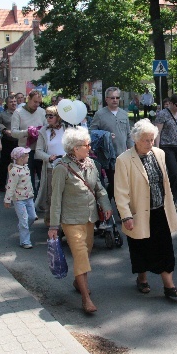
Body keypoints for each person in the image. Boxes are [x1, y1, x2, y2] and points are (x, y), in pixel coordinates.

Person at [114, 119, 177, 298]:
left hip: (160, 209)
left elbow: (164, 183)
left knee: (165, 248)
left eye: (152, 139)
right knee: (141, 247)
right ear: (136, 139)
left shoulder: (159, 153)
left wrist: (171, 206)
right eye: (146, 140)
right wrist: (126, 216)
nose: (150, 143)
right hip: (139, 212)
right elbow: (120, 191)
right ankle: (142, 278)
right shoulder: (124, 160)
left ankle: (169, 286)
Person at [48, 127, 112, 314]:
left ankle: (78, 282)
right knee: (81, 255)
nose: (89, 147)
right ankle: (86, 299)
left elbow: (99, 187)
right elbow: (56, 199)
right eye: (86, 145)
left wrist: (106, 205)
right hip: (70, 219)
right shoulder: (61, 168)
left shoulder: (91, 163)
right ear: (75, 148)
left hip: (90, 218)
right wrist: (53, 225)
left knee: (87, 251)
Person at [90, 86, 133, 199]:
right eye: (112, 98)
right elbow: (92, 133)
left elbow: (129, 134)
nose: (115, 100)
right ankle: (109, 208)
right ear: (107, 99)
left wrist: (132, 149)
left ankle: (105, 205)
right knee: (115, 183)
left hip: (123, 154)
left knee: (121, 185)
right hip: (108, 156)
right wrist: (105, 135)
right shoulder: (100, 114)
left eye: (117, 97)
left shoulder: (124, 114)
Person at [11, 90, 46, 199]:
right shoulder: (18, 112)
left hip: (40, 149)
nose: (37, 105)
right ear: (28, 99)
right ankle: (32, 200)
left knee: (43, 177)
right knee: (28, 178)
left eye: (39, 102)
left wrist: (40, 131)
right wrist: (27, 132)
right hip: (25, 151)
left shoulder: (42, 112)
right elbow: (14, 133)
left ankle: (39, 199)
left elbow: (46, 128)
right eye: (35, 102)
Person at [35, 106, 67, 225]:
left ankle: (64, 220)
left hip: (65, 166)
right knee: (51, 195)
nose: (48, 118)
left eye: (51, 116)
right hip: (50, 167)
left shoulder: (66, 129)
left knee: (65, 194)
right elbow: (38, 151)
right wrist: (48, 157)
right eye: (46, 116)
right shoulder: (44, 131)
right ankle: (50, 221)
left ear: (58, 117)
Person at [154, 94, 177, 207]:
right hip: (167, 147)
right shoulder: (163, 114)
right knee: (173, 174)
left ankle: (172, 201)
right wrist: (157, 149)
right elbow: (157, 132)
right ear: (171, 103)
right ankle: (166, 199)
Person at [3, 147, 35, 249]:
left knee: (32, 217)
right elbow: (10, 187)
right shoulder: (15, 171)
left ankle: (22, 228)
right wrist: (7, 200)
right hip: (19, 199)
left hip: (29, 197)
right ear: (21, 158)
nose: (28, 157)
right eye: (26, 155)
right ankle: (25, 241)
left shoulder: (26, 167)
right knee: (24, 219)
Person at [0, 95, 20, 192]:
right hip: (7, 141)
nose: (14, 103)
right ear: (7, 103)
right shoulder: (3, 115)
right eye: (11, 102)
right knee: (4, 163)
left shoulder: (20, 113)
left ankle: (19, 185)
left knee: (19, 164)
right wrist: (5, 130)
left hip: (19, 141)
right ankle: (1, 185)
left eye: (15, 101)